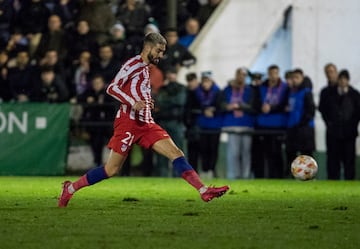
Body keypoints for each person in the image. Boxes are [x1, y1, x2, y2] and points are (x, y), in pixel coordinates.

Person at [58, 32, 229, 207]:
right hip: (128, 123)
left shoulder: (147, 68)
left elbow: (137, 91)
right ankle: (70, 189)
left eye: (163, 52)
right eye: (159, 51)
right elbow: (112, 88)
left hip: (147, 123)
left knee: (176, 153)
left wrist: (148, 102)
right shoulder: (133, 64)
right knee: (111, 170)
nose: (161, 55)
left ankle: (203, 190)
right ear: (148, 46)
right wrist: (133, 103)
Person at [319, 69, 360, 180]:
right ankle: (332, 180)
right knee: (333, 160)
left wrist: (352, 126)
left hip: (349, 134)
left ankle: (349, 180)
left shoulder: (354, 95)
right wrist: (330, 124)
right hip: (333, 133)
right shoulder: (330, 94)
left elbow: (357, 114)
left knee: (349, 160)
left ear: (348, 80)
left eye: (344, 79)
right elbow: (324, 110)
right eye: (340, 79)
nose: (342, 82)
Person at [220, 68, 258, 179]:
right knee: (233, 153)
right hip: (232, 125)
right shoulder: (227, 89)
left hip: (247, 125)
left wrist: (240, 106)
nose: (241, 77)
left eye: (244, 75)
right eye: (239, 74)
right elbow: (221, 104)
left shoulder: (250, 90)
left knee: (246, 153)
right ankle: (232, 176)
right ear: (236, 75)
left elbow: (254, 106)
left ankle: (245, 176)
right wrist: (227, 106)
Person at [253, 65, 288, 178]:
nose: (273, 76)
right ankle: (261, 177)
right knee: (261, 154)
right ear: (268, 74)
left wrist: (271, 108)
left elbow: (285, 105)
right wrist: (261, 107)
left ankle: (278, 177)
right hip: (262, 125)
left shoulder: (285, 87)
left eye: (275, 73)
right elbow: (256, 103)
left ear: (278, 74)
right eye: (271, 73)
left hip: (278, 125)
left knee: (276, 153)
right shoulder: (261, 87)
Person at [153, 67, 186, 176]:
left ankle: (179, 176)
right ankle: (163, 176)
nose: (171, 75)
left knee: (177, 151)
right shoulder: (163, 88)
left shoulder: (181, 88)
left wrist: (166, 102)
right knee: (163, 152)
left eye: (173, 73)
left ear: (176, 75)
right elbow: (160, 101)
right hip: (163, 123)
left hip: (176, 122)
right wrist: (171, 102)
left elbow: (180, 101)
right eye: (169, 73)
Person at [284, 69, 315, 177]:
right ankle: (291, 176)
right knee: (290, 152)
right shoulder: (290, 92)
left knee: (306, 154)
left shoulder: (306, 92)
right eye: (293, 77)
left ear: (302, 78)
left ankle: (309, 176)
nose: (295, 80)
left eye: (297, 77)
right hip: (292, 127)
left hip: (304, 128)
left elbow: (311, 110)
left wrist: (302, 123)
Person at [194, 71, 223, 179]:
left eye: (207, 81)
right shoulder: (197, 92)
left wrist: (213, 112)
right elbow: (195, 106)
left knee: (213, 149)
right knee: (203, 149)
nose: (205, 83)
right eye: (204, 81)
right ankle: (204, 169)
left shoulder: (218, 92)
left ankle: (211, 170)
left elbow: (221, 107)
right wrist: (204, 110)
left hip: (215, 125)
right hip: (202, 125)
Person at [184, 72, 201, 171]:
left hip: (198, 126)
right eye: (189, 81)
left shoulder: (199, 92)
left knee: (200, 150)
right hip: (190, 126)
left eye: (192, 81)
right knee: (191, 151)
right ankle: (192, 171)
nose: (190, 83)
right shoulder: (187, 92)